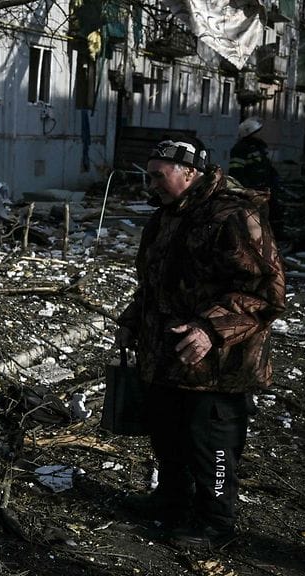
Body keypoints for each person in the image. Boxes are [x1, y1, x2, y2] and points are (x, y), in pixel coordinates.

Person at [115, 135, 285, 550]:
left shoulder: (233, 216)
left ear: (190, 172)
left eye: (159, 175)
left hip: (220, 366)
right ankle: (171, 502)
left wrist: (210, 329)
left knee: (211, 445)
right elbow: (152, 284)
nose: (150, 183)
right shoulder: (167, 216)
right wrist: (132, 322)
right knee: (167, 434)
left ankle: (214, 524)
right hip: (168, 356)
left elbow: (266, 292)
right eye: (149, 175)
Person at [229, 117, 285, 239]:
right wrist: (247, 190)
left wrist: (275, 180)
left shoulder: (260, 147)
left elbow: (267, 167)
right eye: (258, 131)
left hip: (265, 189)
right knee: (253, 219)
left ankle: (275, 239)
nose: (261, 133)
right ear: (250, 133)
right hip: (253, 191)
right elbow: (236, 172)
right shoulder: (240, 149)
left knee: (275, 213)